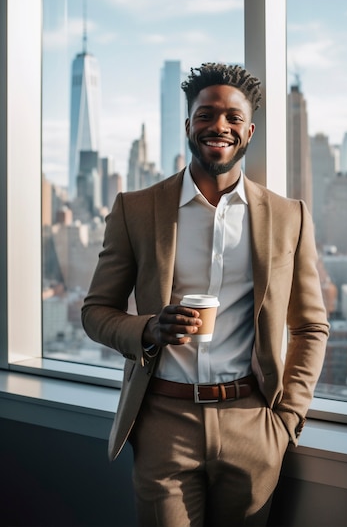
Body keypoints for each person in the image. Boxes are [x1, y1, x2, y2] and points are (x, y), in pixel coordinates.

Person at [82, 62, 329, 527]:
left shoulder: (288, 216)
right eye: (206, 114)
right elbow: (96, 312)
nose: (219, 126)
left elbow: (311, 325)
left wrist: (286, 421)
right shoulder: (136, 209)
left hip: (252, 424)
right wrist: (149, 329)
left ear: (249, 130)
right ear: (189, 124)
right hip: (163, 421)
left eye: (233, 118)